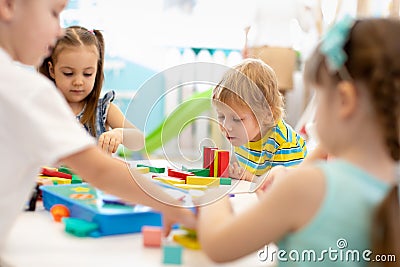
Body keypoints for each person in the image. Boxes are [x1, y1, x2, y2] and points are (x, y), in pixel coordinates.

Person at [198, 17, 400, 266]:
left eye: (318, 96)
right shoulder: (389, 186)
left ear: (345, 101)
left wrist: (212, 191)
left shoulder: (309, 188)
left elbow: (218, 245)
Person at [0, 0, 195, 253]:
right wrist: (170, 204)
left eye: (87, 73)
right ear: (8, 5)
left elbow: (139, 143)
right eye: (53, 12)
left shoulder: (99, 107)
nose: (59, 30)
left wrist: (121, 135)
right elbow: (101, 171)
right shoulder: (29, 92)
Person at [39, 26, 144, 155]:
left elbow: (139, 140)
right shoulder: (43, 108)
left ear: (96, 71)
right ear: (52, 70)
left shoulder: (103, 109)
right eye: (68, 73)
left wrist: (120, 134)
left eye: (87, 74)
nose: (78, 82)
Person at [213, 58, 307, 182]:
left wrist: (249, 177)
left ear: (267, 115)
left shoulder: (284, 145)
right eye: (221, 116)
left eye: (237, 119)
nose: (226, 126)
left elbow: (284, 189)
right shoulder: (243, 134)